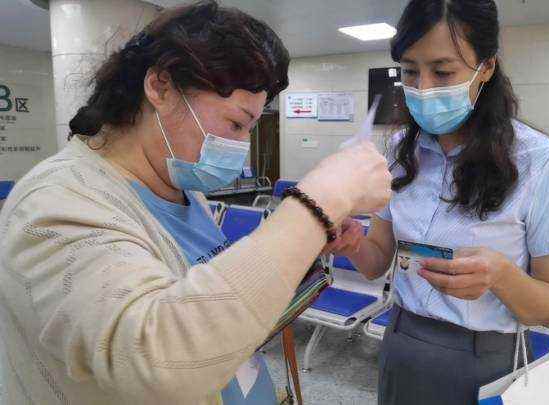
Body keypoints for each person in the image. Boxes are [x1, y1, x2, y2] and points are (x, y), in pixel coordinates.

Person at [0, 1, 391, 404]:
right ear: (161, 87)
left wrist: (305, 244)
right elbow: (158, 363)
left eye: (250, 128)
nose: (241, 145)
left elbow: (215, 307)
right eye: (235, 123)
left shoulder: (181, 190)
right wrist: (318, 202)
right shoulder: (53, 203)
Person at [326, 0, 549, 404]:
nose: (423, 88)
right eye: (410, 71)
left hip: (484, 361)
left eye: (443, 71)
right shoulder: (400, 150)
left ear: (485, 67)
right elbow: (377, 261)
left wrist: (501, 276)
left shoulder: (541, 160)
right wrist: (353, 244)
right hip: (401, 341)